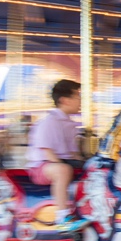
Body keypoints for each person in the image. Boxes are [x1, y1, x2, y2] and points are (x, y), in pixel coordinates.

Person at [26, 79, 85, 230]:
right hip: (42, 165)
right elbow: (46, 150)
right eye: (78, 97)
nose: (81, 101)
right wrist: (63, 164)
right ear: (65, 100)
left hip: (62, 162)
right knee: (63, 170)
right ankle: (62, 217)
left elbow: (73, 153)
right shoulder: (49, 121)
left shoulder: (70, 124)